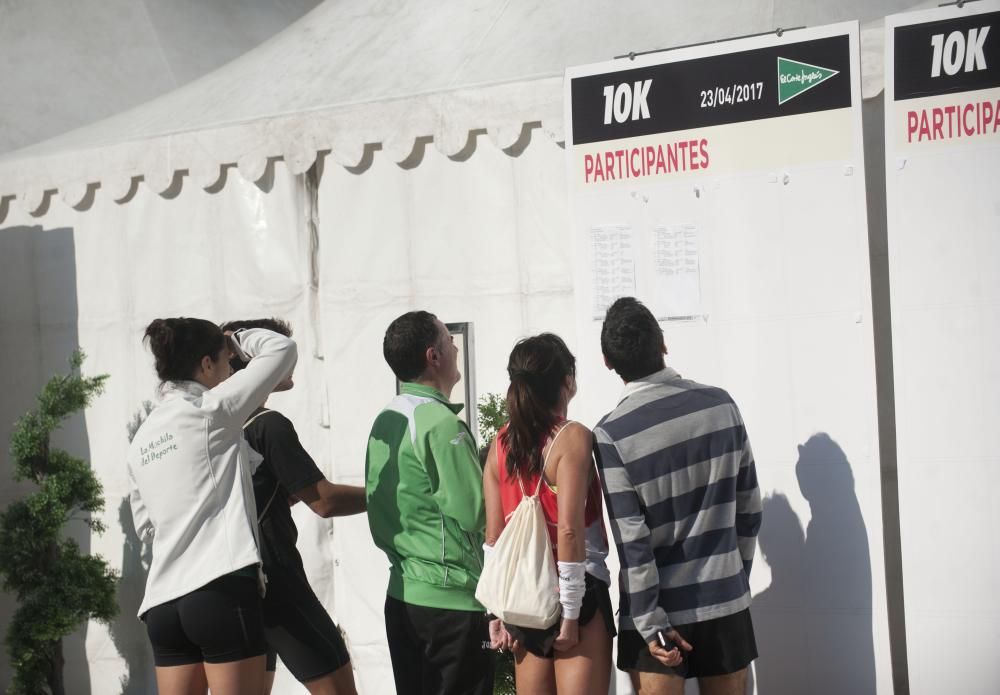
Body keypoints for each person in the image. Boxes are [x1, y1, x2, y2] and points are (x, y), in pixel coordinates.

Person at [593, 297, 762, 695]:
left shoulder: (611, 435)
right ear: (663, 343)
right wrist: (733, 581)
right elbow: (750, 511)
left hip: (657, 617)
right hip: (725, 600)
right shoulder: (722, 407)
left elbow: (633, 544)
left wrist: (650, 622)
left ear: (607, 362)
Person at [127, 318, 297, 695]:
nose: (229, 371)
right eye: (225, 361)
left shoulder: (141, 439)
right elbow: (282, 350)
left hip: (163, 606)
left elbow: (147, 528)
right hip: (219, 588)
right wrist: (236, 338)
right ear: (206, 364)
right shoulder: (213, 408)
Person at [221, 318, 367, 695]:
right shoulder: (268, 425)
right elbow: (324, 501)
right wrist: (388, 494)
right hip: (276, 577)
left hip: (230, 581)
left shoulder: (216, 426)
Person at [365, 310, 494, 695]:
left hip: (403, 594)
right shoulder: (440, 423)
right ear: (433, 356)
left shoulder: (386, 418)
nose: (455, 346)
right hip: (450, 601)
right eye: (448, 339)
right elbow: (477, 514)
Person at [484, 333, 614, 694]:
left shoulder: (500, 444)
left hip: (524, 596)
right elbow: (570, 531)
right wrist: (571, 614)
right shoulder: (572, 438)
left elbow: (493, 537)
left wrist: (496, 611)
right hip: (577, 592)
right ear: (567, 382)